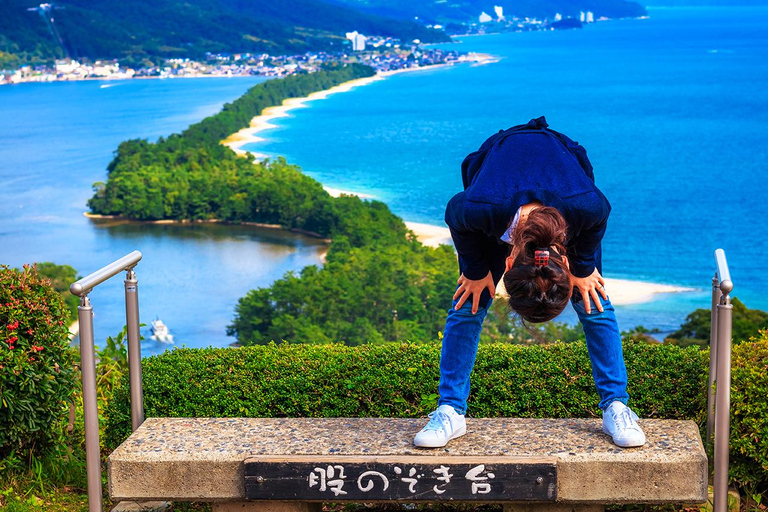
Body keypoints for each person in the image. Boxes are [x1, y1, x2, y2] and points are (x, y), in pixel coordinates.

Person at [413, 117, 646, 449]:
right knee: (469, 301)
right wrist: (477, 272)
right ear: (507, 260)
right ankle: (450, 411)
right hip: (500, 180)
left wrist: (581, 268)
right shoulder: (482, 211)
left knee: (592, 297)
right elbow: (455, 212)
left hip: (562, 199)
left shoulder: (585, 208)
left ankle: (617, 407)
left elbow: (601, 211)